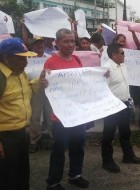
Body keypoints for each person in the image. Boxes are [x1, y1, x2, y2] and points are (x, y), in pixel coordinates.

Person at [43, 28, 89, 190]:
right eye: (66, 41)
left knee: (78, 145)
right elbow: (45, 85)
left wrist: (101, 77)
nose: (70, 45)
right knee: (59, 149)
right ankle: (53, 182)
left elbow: (83, 82)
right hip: (61, 116)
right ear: (57, 43)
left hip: (77, 114)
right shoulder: (51, 62)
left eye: (72, 41)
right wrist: (45, 82)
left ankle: (75, 175)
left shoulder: (77, 59)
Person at [0, 37, 37, 190]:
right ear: (6, 58)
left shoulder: (20, 73)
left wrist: (39, 82)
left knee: (22, 174)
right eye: (20, 59)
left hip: (21, 134)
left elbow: (25, 91)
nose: (26, 63)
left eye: (26, 58)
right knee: (7, 178)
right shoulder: (1, 78)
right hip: (5, 137)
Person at [102, 43, 140, 173]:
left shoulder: (123, 65)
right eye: (122, 53)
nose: (125, 55)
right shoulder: (106, 69)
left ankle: (128, 155)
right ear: (114, 55)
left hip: (124, 104)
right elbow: (102, 89)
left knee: (125, 132)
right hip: (112, 106)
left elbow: (125, 83)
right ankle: (107, 161)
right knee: (109, 134)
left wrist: (129, 98)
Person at [28, 37, 53, 153]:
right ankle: (34, 140)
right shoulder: (28, 59)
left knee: (50, 115)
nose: (39, 45)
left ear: (44, 44)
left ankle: (53, 138)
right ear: (33, 45)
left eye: (41, 43)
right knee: (35, 117)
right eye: (37, 43)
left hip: (49, 90)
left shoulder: (50, 58)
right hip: (35, 91)